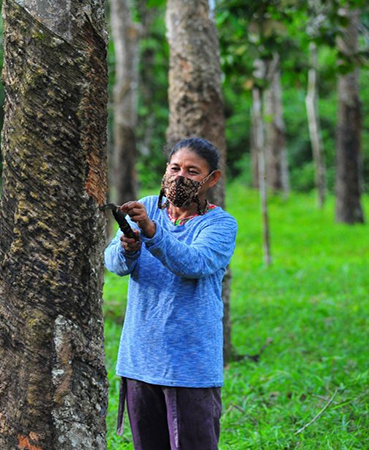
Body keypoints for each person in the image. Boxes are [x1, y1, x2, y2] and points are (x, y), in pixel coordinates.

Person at [105, 137, 238, 449]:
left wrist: (151, 233)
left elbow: (193, 262)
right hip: (140, 360)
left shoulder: (220, 225)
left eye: (192, 171)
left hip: (189, 367)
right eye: (175, 168)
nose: (180, 177)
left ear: (212, 179)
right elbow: (113, 263)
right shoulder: (147, 206)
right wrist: (129, 249)